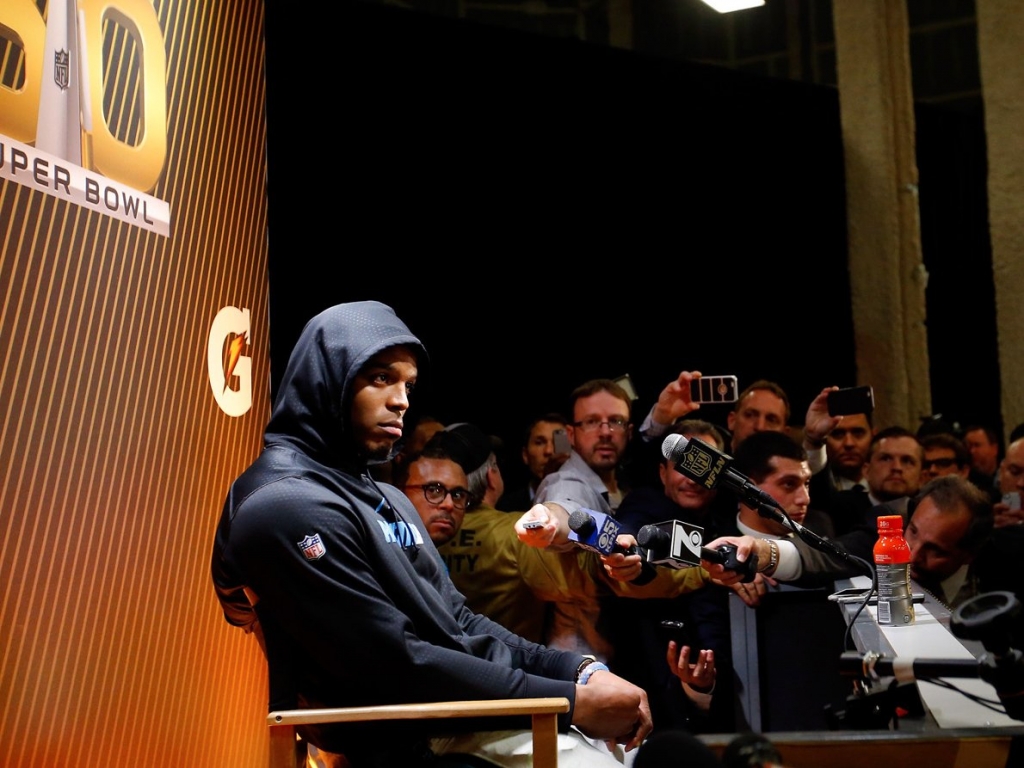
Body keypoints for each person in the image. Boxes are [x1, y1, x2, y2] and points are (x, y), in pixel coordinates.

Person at [210, 301, 651, 767]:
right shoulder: (281, 503)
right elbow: (396, 665)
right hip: (409, 736)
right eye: (380, 377)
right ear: (326, 378)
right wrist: (569, 701)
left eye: (408, 385)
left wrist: (578, 670)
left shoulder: (386, 496)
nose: (401, 399)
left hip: (461, 715)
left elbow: (460, 622)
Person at [498, 413, 570, 512]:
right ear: (525, 455)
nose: (548, 451)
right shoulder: (505, 508)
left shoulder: (587, 499)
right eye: (539, 443)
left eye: (557, 442)